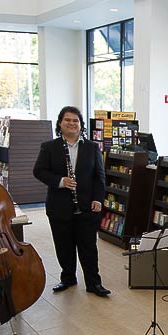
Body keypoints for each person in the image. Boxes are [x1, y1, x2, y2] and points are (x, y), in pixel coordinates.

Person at [33, 106, 110, 296]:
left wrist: (98, 199)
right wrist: (60, 181)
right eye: (67, 120)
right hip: (59, 206)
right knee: (63, 245)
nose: (71, 123)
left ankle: (94, 283)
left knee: (88, 247)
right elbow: (39, 171)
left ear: (81, 125)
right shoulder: (49, 146)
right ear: (60, 123)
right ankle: (67, 278)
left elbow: (99, 176)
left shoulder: (92, 147)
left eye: (75, 120)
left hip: (86, 206)